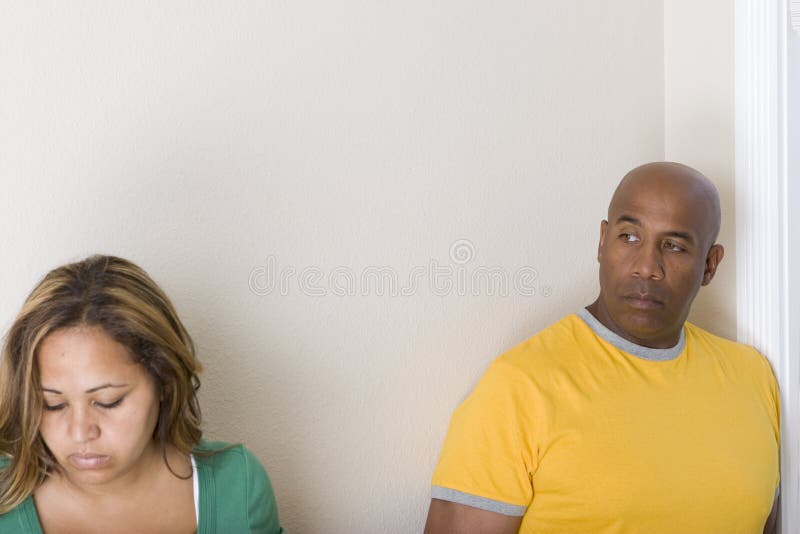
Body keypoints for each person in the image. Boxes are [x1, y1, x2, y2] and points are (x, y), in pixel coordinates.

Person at [424, 162, 780, 534]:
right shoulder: (518, 388)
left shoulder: (752, 378)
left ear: (710, 264)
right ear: (602, 241)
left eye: (673, 246)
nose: (647, 267)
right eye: (629, 237)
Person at [0, 255, 284, 533]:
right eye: (53, 404)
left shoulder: (236, 488)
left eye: (108, 402)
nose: (80, 433)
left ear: (164, 382)